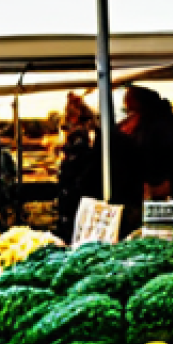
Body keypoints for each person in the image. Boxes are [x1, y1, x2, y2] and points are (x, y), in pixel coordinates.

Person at [119, 85, 173, 215]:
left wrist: (166, 187)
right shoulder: (162, 123)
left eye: (130, 109)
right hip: (172, 197)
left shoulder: (161, 128)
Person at [56, 94, 101, 241]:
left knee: (76, 221)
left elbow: (81, 158)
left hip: (81, 186)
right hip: (77, 184)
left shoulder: (85, 133)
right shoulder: (84, 131)